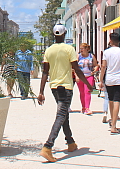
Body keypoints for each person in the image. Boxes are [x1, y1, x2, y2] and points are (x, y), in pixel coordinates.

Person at [38, 24, 92, 163]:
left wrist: (41, 91)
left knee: (64, 114)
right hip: (66, 87)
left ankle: (70, 142)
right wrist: (88, 84)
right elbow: (77, 69)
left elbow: (45, 72)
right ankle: (47, 146)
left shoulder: (48, 50)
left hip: (54, 87)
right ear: (64, 34)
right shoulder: (69, 49)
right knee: (61, 115)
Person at [99, 33, 120, 134]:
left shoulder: (106, 52)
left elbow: (103, 66)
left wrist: (100, 80)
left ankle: (112, 122)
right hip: (119, 79)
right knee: (117, 101)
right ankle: (114, 125)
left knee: (111, 100)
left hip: (109, 79)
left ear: (111, 41)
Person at [77, 43, 98, 115]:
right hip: (80, 77)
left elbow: (96, 65)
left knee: (87, 91)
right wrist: (76, 76)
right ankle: (83, 107)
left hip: (89, 76)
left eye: (82, 48)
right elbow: (75, 67)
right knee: (82, 92)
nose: (81, 50)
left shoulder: (91, 56)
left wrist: (95, 70)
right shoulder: (78, 56)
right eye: (80, 48)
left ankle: (87, 108)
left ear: (86, 49)